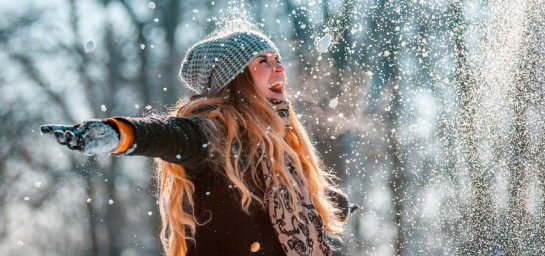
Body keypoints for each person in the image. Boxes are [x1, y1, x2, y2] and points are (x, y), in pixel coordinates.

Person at [41, 28, 356, 256]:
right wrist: (119, 134)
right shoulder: (215, 135)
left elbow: (284, 201)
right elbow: (169, 135)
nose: (279, 67)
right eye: (263, 61)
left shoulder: (281, 149)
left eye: (277, 58)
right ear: (237, 79)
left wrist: (327, 205)